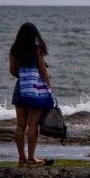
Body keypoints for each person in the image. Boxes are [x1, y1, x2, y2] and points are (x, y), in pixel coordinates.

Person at [9, 22, 54, 167]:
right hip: (35, 89)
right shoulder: (38, 49)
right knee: (33, 124)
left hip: (20, 88)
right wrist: (49, 87)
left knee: (20, 125)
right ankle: (31, 158)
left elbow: (12, 70)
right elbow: (42, 70)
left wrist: (24, 73)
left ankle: (21, 158)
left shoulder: (14, 49)